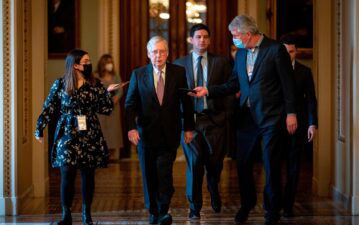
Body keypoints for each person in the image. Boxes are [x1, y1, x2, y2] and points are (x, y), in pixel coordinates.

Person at [192, 15, 297, 225]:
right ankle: (247, 204)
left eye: (236, 35)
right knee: (243, 165)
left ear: (248, 34)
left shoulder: (275, 50)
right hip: (247, 119)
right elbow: (233, 84)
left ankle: (271, 211)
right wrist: (208, 91)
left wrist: (291, 113)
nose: (234, 39)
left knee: (271, 165)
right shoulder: (240, 54)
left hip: (271, 118)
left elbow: (288, 84)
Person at [34, 49, 123, 225]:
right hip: (67, 133)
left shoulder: (95, 84)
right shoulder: (60, 84)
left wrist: (109, 92)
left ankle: (86, 215)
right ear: (75, 65)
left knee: (88, 175)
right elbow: (49, 107)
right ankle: (66, 215)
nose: (89, 63)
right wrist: (39, 128)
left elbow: (105, 109)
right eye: (86, 61)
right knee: (66, 173)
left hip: (89, 133)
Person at [125, 36, 195, 225]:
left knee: (164, 173)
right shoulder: (138, 74)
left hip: (169, 133)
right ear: (148, 54)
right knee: (149, 174)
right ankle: (153, 211)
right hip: (145, 134)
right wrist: (131, 128)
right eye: (155, 51)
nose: (158, 55)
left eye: (162, 51)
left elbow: (186, 101)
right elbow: (130, 104)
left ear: (167, 53)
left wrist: (188, 127)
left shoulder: (178, 72)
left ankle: (163, 210)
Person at [173, 23, 232, 219]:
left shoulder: (221, 62)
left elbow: (230, 89)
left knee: (215, 163)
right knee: (194, 163)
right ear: (191, 40)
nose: (202, 40)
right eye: (198, 37)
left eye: (206, 36)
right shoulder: (179, 64)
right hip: (191, 123)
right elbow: (175, 96)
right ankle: (194, 206)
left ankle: (213, 188)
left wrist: (226, 115)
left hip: (215, 121)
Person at [280, 35, 318, 218]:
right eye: (285, 52)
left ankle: (288, 204)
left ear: (296, 52)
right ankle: (274, 202)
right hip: (275, 125)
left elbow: (311, 99)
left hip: (299, 125)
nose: (289, 55)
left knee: (294, 166)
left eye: (292, 51)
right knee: (273, 166)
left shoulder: (304, 71)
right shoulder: (273, 70)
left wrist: (312, 123)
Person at [95, 54, 124, 160]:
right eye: (108, 62)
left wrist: (116, 97)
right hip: (101, 108)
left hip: (114, 107)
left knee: (113, 131)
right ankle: (102, 155)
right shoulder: (96, 76)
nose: (110, 65)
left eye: (111, 62)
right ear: (103, 64)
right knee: (102, 130)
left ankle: (112, 155)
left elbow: (120, 89)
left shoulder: (115, 75)